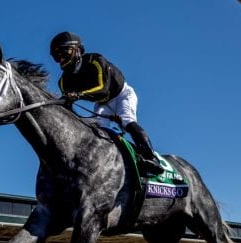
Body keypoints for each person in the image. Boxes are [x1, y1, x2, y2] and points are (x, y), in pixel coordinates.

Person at [49, 31, 165, 175]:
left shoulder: (95, 61)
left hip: (122, 95)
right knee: (97, 132)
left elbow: (103, 89)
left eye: (64, 52)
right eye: (57, 56)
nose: (61, 58)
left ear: (78, 50)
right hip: (102, 104)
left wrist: (78, 95)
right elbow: (67, 108)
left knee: (127, 121)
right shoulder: (63, 81)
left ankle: (151, 158)